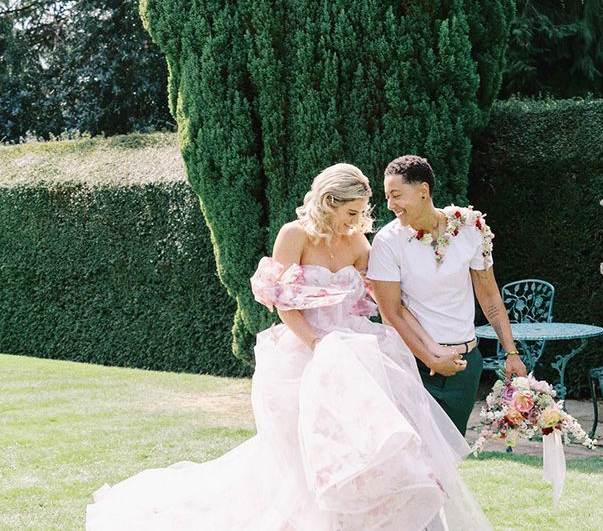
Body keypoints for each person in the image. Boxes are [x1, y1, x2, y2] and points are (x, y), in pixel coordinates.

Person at [86, 163, 493, 530]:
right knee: (301, 458)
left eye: (361, 214)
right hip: (305, 349)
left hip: (352, 348)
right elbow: (282, 301)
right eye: (352, 212)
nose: (358, 222)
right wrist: (319, 345)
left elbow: (389, 296)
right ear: (329, 202)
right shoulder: (294, 235)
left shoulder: (356, 243)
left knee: (367, 443)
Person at [368, 155, 527, 435]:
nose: (390, 205)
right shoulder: (387, 241)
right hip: (413, 364)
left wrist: (511, 352)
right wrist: (431, 359)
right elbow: (390, 313)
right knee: (416, 460)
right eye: (387, 197)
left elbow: (489, 298)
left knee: (451, 459)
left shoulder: (471, 229)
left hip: (465, 367)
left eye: (396, 195)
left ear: (423, 192)